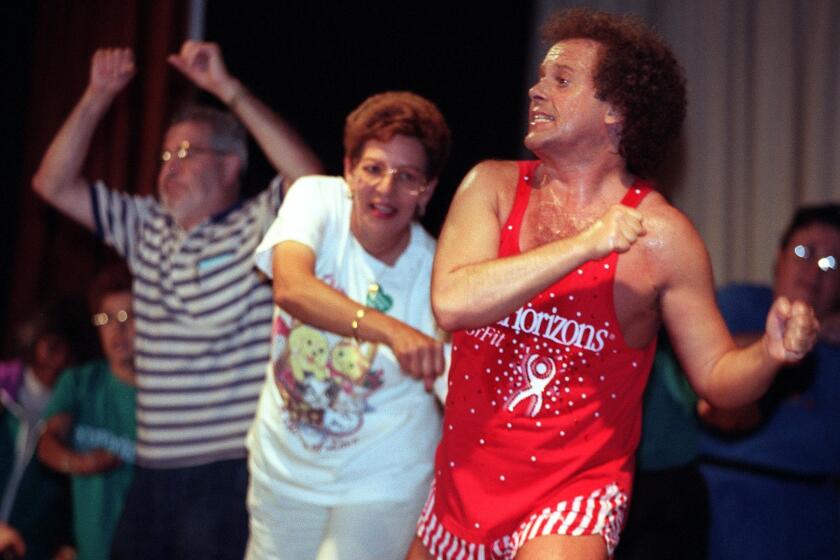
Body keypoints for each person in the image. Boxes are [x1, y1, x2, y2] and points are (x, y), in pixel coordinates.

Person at [407, 8, 819, 560]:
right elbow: (454, 302)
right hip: (464, 485)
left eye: (562, 79)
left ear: (617, 112)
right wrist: (587, 243)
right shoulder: (492, 187)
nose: (535, 89)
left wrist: (771, 353)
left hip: (573, 494)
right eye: (540, 76)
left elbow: (719, 377)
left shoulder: (662, 237)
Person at [32, 41, 322, 558]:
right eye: (164, 155)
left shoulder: (261, 222)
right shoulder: (146, 228)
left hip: (228, 470)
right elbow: (51, 183)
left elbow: (313, 181)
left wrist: (228, 90)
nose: (168, 167)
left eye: (186, 153)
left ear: (232, 165)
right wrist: (97, 96)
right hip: (154, 469)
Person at [246, 91, 451, 560]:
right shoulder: (316, 199)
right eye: (374, 169)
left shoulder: (437, 270)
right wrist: (393, 331)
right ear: (349, 170)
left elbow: (456, 387)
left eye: (408, 177)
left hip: (382, 480)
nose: (385, 189)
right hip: (282, 470)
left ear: (428, 191)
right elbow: (292, 289)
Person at [696, 204, 840, 560]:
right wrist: (791, 342)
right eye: (804, 252)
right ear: (779, 257)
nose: (813, 272)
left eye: (831, 263)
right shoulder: (738, 304)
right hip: (723, 504)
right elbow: (713, 380)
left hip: (816, 521)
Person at [37, 264, 136, 560]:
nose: (117, 329)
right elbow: (47, 444)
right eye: (107, 318)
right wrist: (81, 462)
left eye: (129, 316)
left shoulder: (166, 397)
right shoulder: (81, 383)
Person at [0, 298, 93, 559]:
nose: (58, 360)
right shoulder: (4, 393)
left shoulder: (78, 420)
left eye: (69, 353)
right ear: (34, 338)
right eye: (52, 347)